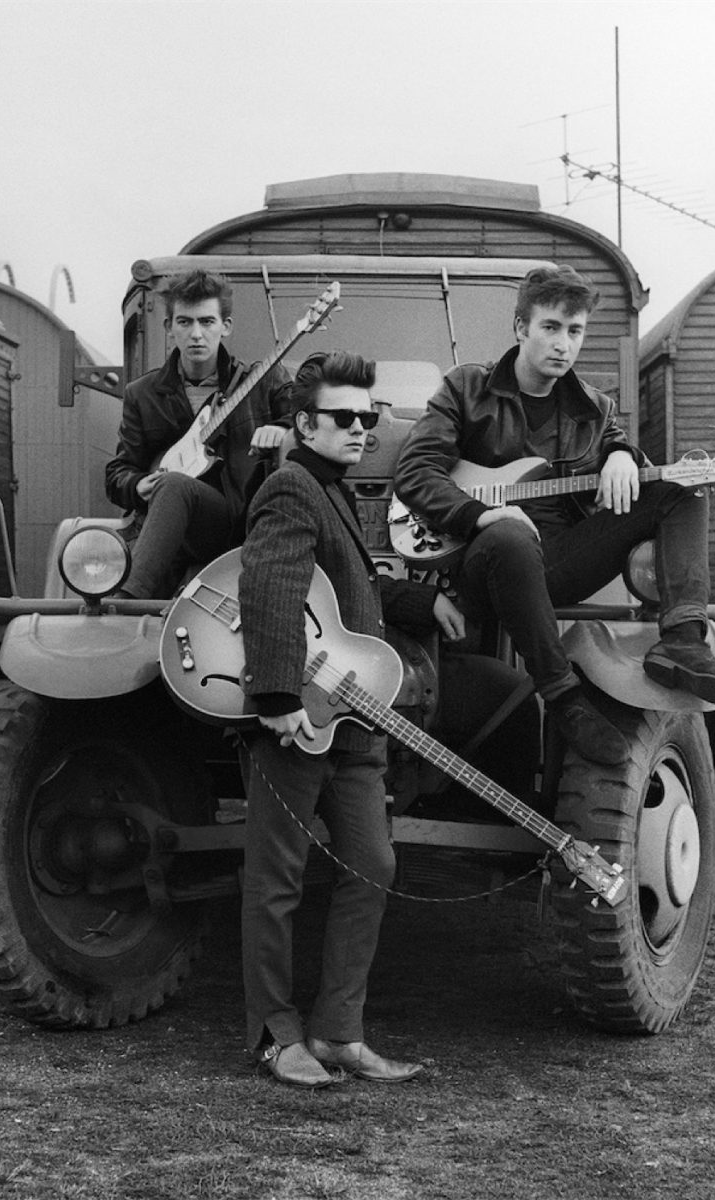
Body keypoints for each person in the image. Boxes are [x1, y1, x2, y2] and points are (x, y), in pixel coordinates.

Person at [393, 265, 715, 766]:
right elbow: (415, 471)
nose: (564, 344)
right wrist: (478, 515)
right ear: (521, 328)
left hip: (557, 561)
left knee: (682, 487)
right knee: (510, 535)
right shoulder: (467, 387)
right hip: (479, 564)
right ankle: (564, 699)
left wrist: (623, 454)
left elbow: (622, 452)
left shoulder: (595, 410)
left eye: (575, 330)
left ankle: (683, 644)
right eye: (551, 327)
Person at [238, 350, 466, 1088]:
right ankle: (275, 1036)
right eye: (344, 417)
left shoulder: (331, 490)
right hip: (302, 716)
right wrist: (278, 701)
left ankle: (338, 1032)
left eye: (368, 416)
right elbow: (269, 585)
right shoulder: (291, 487)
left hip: (354, 718)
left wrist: (420, 601)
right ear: (304, 425)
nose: (361, 428)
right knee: (276, 880)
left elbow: (346, 592)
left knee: (373, 864)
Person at [105, 269, 293, 599]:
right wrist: (137, 485)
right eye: (185, 322)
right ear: (169, 327)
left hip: (239, 526)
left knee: (175, 485)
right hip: (170, 537)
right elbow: (117, 474)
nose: (196, 334)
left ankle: (125, 599)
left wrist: (282, 430)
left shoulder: (265, 382)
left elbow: (308, 418)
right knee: (172, 485)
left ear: (226, 326)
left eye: (207, 322)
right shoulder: (141, 394)